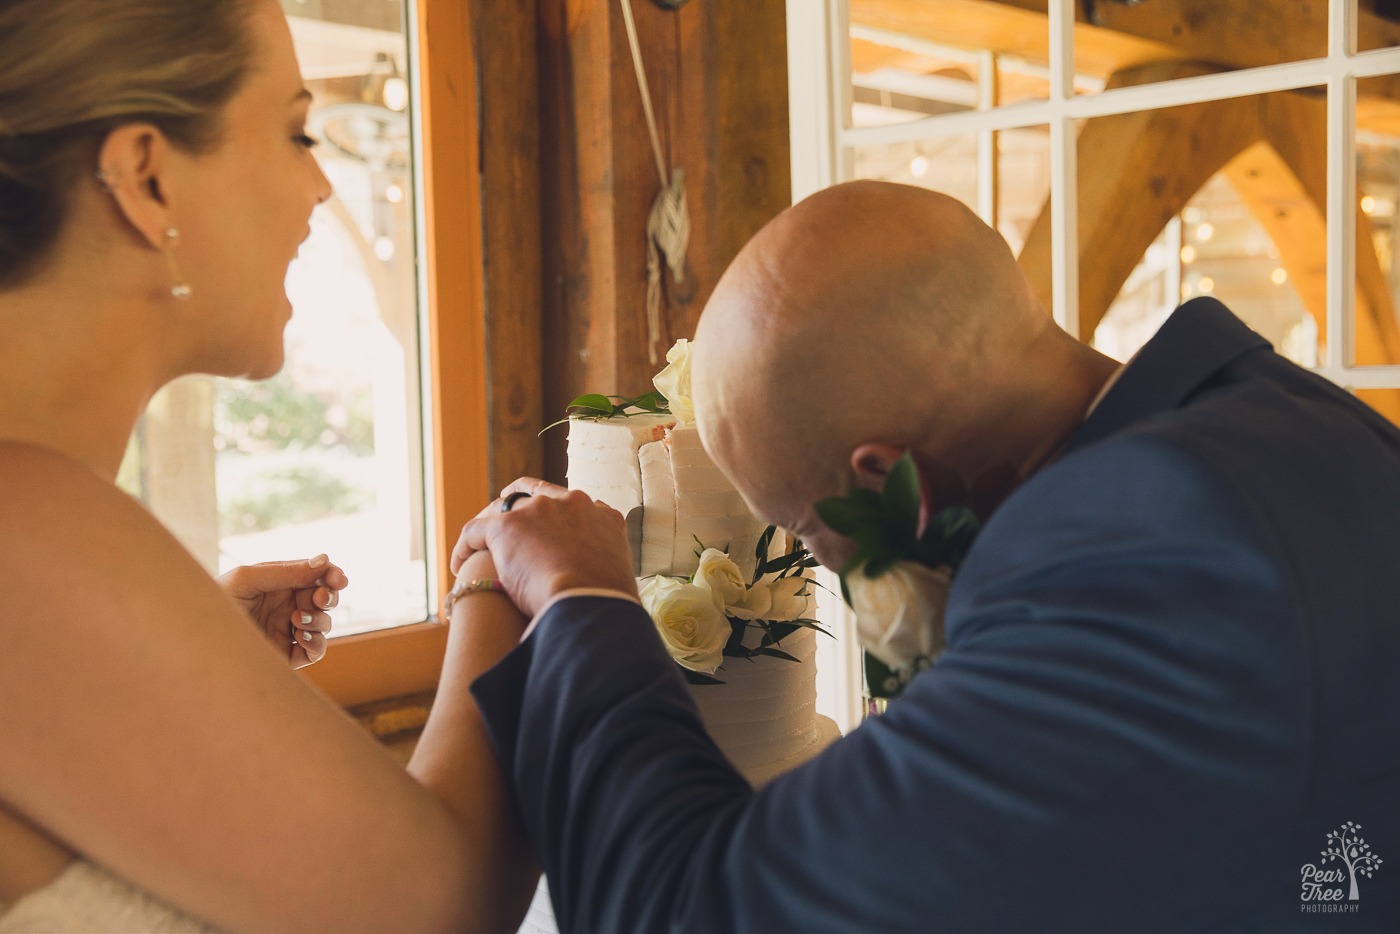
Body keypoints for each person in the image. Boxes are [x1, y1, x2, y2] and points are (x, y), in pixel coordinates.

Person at [454, 180, 1400, 932]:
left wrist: (584, 596)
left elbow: (697, 913)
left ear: (890, 480)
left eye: (820, 538)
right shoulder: (1295, 422)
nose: (833, 571)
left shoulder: (1138, 554)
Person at [0, 1, 535, 931]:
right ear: (146, 179)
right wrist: (510, 583)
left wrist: (187, 659)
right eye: (294, 132)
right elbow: (445, 909)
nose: (320, 187)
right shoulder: (26, 530)